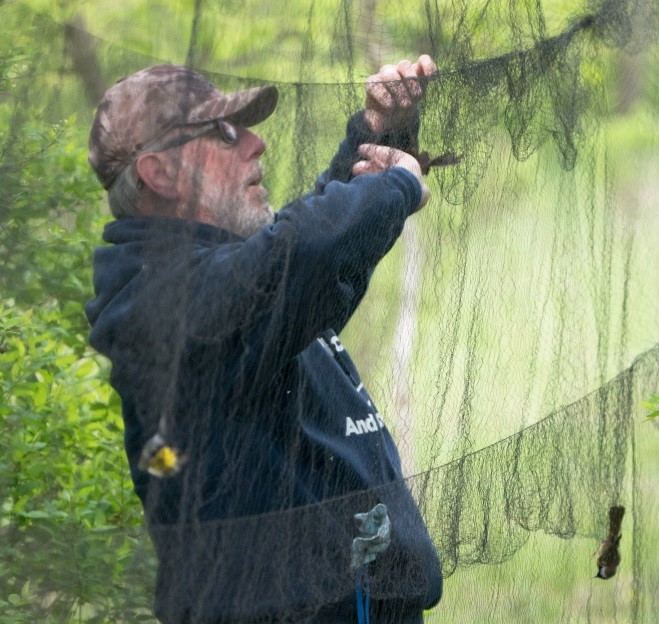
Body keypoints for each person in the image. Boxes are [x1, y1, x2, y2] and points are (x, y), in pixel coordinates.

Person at [85, 57, 443, 623]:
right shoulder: (159, 303)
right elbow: (298, 256)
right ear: (161, 174)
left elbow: (310, 266)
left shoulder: (225, 283)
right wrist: (396, 185)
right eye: (223, 132)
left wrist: (376, 137)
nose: (255, 143)